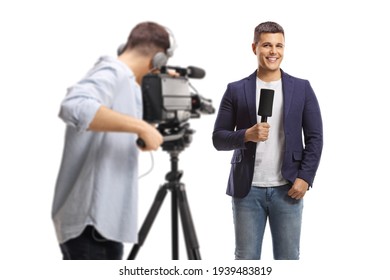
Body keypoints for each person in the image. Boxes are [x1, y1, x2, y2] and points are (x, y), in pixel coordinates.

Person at [51, 21, 174, 260]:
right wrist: (140, 126)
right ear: (158, 58)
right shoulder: (113, 72)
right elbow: (74, 106)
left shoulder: (128, 84)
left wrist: (146, 126)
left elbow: (118, 131)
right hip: (91, 228)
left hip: (104, 226)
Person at [212, 21, 323, 260]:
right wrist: (246, 135)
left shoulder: (302, 88)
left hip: (288, 188)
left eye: (279, 46)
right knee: (246, 260)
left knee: (288, 259)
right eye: (267, 45)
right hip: (247, 190)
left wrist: (305, 177)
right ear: (254, 47)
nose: (273, 51)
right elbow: (218, 138)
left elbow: (315, 137)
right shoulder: (236, 89)